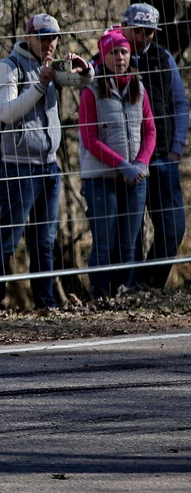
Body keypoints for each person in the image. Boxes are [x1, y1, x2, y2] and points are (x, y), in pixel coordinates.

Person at [0, 12, 91, 310]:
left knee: (45, 240)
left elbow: (80, 80)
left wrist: (86, 69)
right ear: (28, 37)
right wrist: (40, 85)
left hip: (50, 166)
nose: (49, 43)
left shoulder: (51, 66)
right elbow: (6, 113)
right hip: (18, 166)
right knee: (10, 238)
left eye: (53, 37)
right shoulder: (8, 67)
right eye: (43, 37)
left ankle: (45, 302)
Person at [78, 27, 155, 298]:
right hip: (101, 179)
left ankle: (124, 294)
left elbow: (150, 130)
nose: (120, 57)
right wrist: (123, 165)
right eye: (113, 52)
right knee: (104, 244)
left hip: (136, 179)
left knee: (129, 243)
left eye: (124, 52)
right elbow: (90, 139)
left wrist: (141, 164)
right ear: (103, 55)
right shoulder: (91, 91)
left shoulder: (139, 87)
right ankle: (100, 296)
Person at [119, 3, 189, 288]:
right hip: (127, 162)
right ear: (124, 27)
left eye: (148, 32)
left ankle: (152, 284)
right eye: (137, 30)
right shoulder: (110, 58)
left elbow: (180, 103)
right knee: (131, 233)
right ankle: (132, 288)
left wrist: (175, 150)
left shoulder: (163, 58)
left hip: (162, 160)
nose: (142, 37)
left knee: (173, 229)